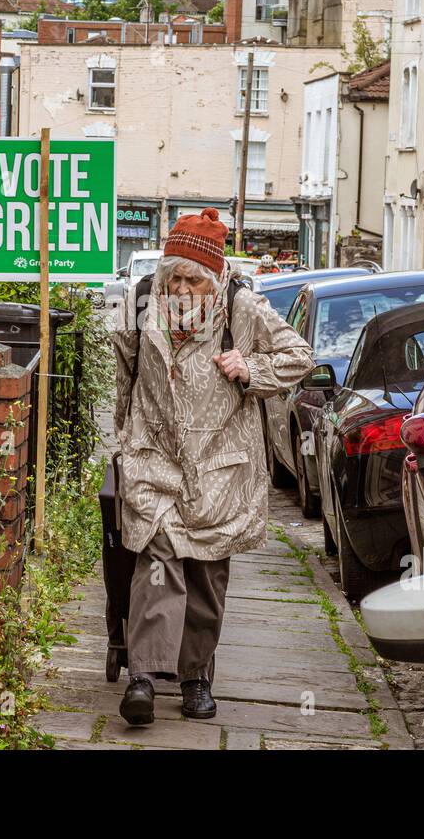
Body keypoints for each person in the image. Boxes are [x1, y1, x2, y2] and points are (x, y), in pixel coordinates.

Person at [112, 208, 314, 725]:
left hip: (221, 466)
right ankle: (143, 677)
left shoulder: (244, 308)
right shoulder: (140, 305)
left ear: (215, 277)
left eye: (192, 279)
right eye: (173, 276)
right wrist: (123, 434)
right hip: (155, 458)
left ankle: (196, 677)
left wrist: (252, 368)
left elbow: (299, 356)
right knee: (157, 558)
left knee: (206, 574)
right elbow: (124, 370)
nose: (180, 287)